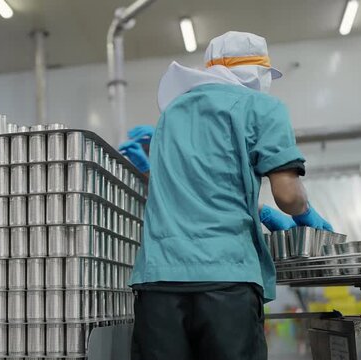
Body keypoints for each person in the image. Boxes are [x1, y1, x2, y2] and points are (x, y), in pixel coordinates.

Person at [119, 31, 333, 360]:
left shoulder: (170, 115)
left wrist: (259, 211)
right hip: (226, 281)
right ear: (257, 73)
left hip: (159, 281)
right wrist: (305, 215)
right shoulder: (262, 107)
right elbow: (288, 195)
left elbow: (196, 188)